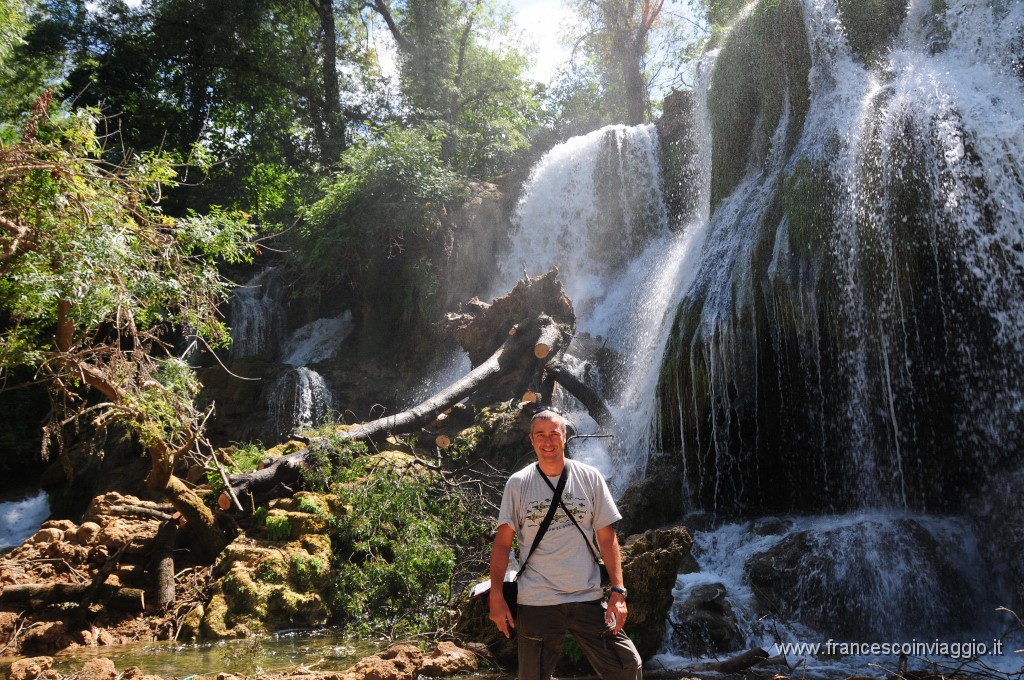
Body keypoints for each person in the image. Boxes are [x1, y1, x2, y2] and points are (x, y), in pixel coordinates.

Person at [488, 406, 642, 680]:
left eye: (553, 434)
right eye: (540, 435)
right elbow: (502, 545)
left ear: (565, 436)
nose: (548, 441)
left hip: (587, 596)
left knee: (626, 666)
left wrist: (618, 591)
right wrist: (496, 596)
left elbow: (607, 538)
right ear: (531, 440)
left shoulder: (589, 478)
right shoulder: (518, 483)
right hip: (537, 601)